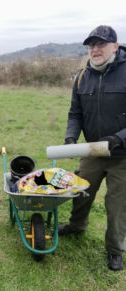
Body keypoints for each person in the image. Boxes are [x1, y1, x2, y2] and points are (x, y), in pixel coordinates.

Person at [61, 25, 126, 271]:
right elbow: (75, 113)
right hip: (92, 151)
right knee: (81, 192)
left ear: (115, 47)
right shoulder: (81, 77)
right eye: (92, 45)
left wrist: (119, 138)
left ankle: (115, 249)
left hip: (122, 154)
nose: (95, 49)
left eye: (101, 44)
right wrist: (70, 138)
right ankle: (76, 226)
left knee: (117, 205)